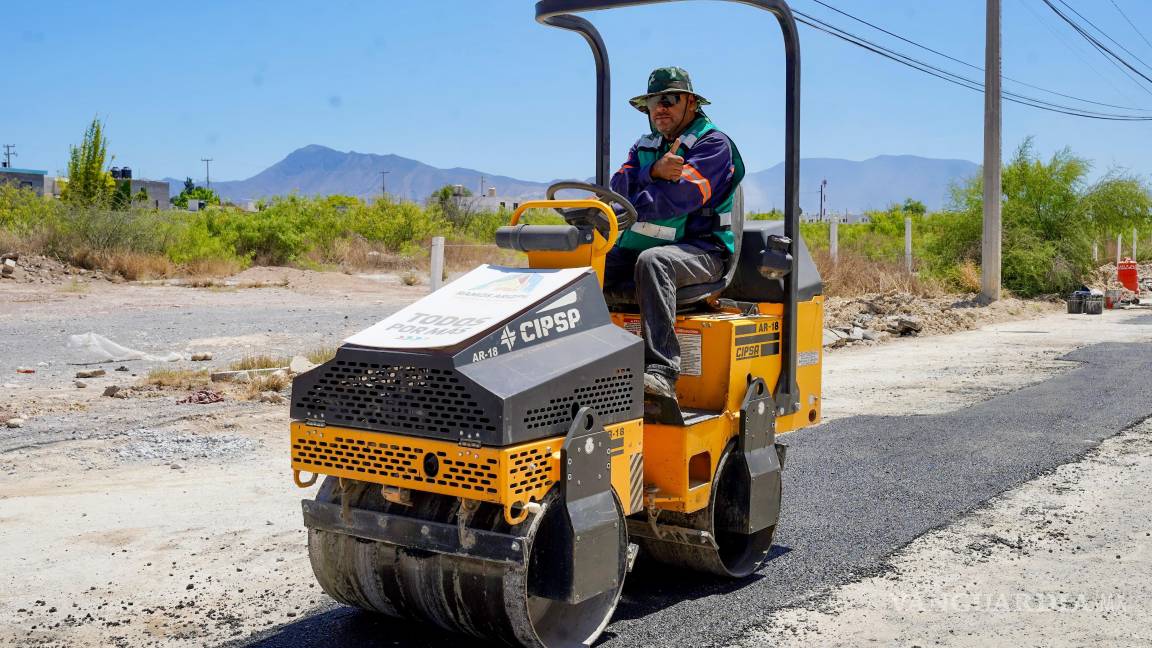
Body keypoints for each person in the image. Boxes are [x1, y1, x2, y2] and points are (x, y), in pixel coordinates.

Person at [607, 67, 745, 400]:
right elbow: (617, 187)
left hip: (704, 253)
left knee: (655, 263)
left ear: (691, 104)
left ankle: (661, 372)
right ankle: (587, 363)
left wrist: (634, 199)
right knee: (588, 268)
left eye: (670, 99)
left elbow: (680, 198)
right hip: (648, 250)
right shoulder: (646, 146)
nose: (660, 108)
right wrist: (653, 170)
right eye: (654, 101)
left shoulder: (714, 146)